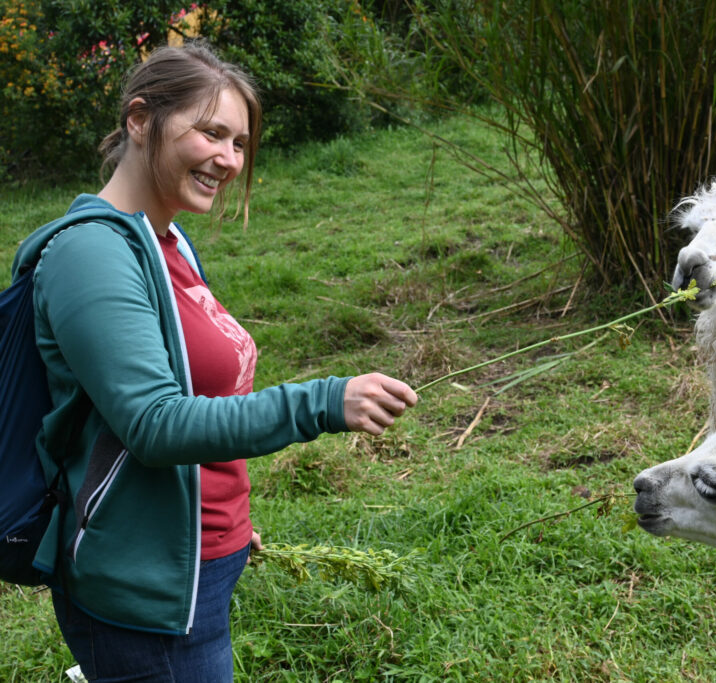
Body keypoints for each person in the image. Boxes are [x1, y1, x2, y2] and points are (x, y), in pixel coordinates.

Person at [13, 40, 417, 682]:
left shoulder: (167, 242)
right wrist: (322, 402)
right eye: (211, 134)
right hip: (141, 592)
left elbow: (196, 391)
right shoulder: (90, 254)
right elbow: (153, 424)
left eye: (240, 144)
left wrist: (221, 519)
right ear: (140, 120)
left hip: (195, 557)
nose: (228, 159)